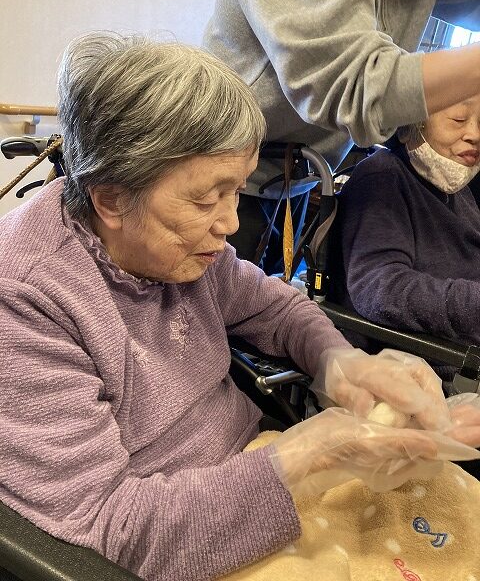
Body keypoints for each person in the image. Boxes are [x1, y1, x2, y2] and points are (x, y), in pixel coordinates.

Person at [0, 33, 479, 581]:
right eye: (207, 198)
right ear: (110, 198)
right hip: (170, 534)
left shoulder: (179, 249)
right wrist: (313, 457)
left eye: (236, 192)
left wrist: (340, 361)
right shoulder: (26, 302)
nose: (230, 224)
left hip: (252, 461)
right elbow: (109, 531)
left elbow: (277, 308)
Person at [203, 0, 480, 274]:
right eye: (458, 117)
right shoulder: (382, 179)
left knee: (270, 296)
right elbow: (356, 84)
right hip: (221, 173)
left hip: (301, 176)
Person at [328, 93, 480, 383]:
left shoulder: (459, 193)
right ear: (415, 120)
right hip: (421, 376)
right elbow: (379, 290)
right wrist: (472, 304)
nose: (474, 134)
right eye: (459, 119)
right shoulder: (383, 177)